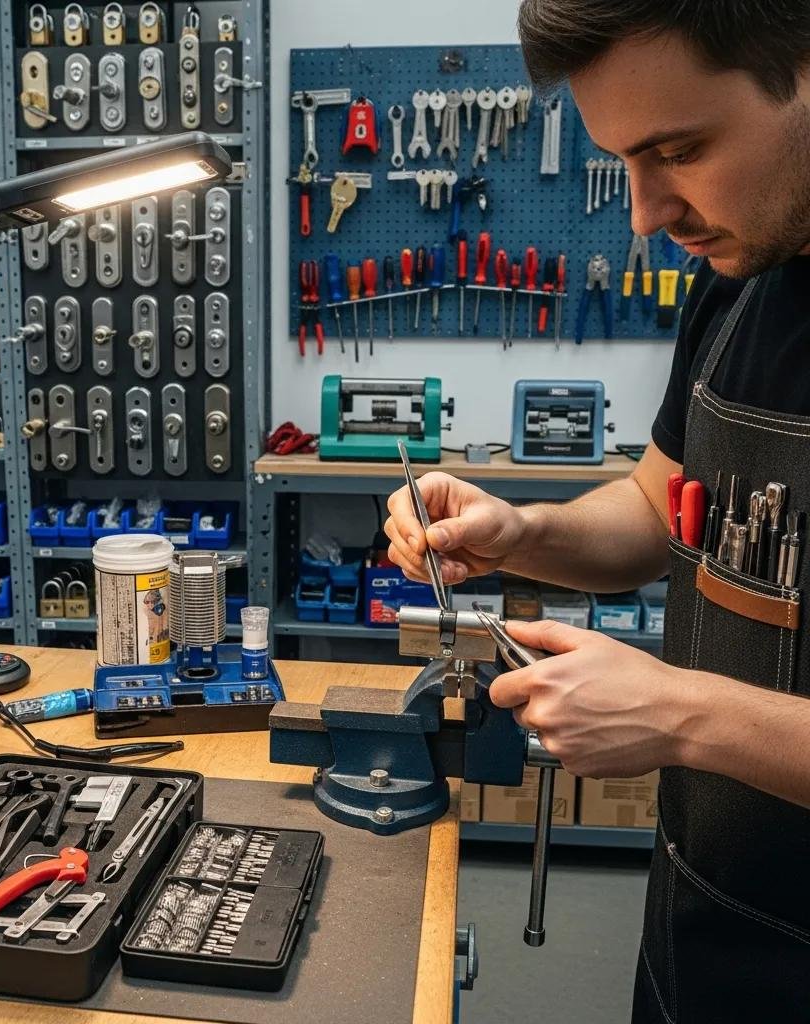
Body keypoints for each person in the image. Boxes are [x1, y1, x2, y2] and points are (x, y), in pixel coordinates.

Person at [384, 3, 810, 1019]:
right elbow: (652, 509)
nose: (643, 213)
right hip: (697, 937)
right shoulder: (739, 280)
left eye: (678, 150)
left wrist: (681, 713)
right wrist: (522, 531)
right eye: (623, 159)